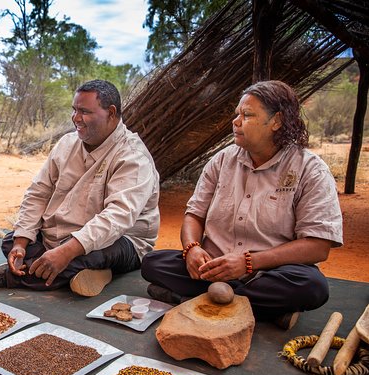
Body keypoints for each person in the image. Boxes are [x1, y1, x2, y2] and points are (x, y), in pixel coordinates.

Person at [141, 80, 343, 329]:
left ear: (276, 121)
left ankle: (190, 299)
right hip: (212, 268)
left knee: (312, 286)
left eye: (247, 115)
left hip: (267, 274)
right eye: (237, 114)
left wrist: (249, 262)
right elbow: (194, 215)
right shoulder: (222, 161)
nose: (236, 121)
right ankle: (263, 310)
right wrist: (192, 248)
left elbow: (318, 247)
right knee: (153, 263)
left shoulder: (309, 169)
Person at [0, 79, 160, 297]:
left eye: (84, 111)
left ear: (111, 112)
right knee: (11, 240)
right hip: (60, 235)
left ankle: (9, 277)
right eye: (74, 110)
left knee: (92, 254)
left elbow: (117, 218)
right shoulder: (66, 144)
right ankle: (83, 272)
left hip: (119, 240)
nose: (76, 118)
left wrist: (67, 252)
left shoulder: (132, 157)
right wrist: (21, 243)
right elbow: (38, 193)